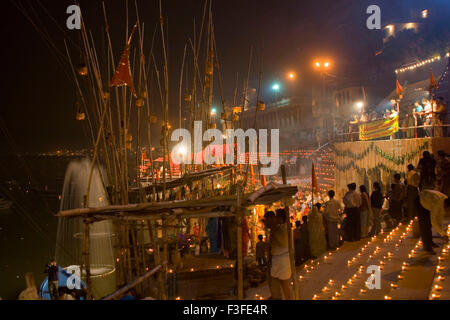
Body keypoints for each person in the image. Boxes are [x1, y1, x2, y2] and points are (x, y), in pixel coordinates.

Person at [264, 210, 291, 300]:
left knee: (283, 282)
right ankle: (276, 297)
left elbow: (282, 242)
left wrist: (273, 228)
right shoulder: (278, 228)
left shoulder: (284, 228)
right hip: (276, 258)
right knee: (274, 279)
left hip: (283, 258)